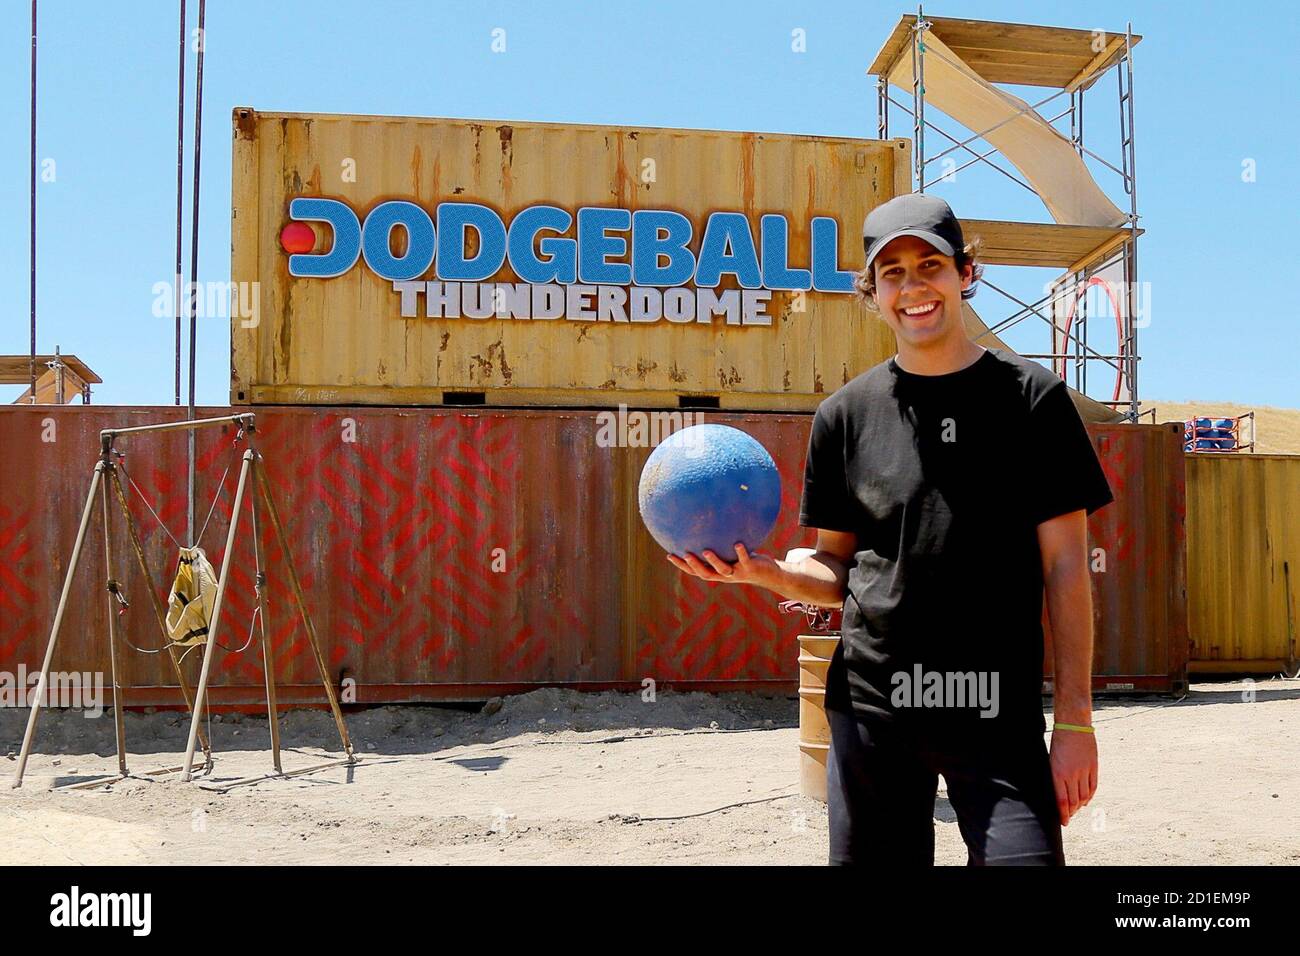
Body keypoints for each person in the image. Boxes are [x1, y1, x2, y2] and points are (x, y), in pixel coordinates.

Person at [666, 193, 1114, 865]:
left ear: (967, 274)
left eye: (928, 264)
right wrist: (763, 572)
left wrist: (1075, 719)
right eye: (892, 272)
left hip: (997, 714)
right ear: (871, 293)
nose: (913, 287)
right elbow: (834, 571)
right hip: (871, 710)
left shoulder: (1033, 403)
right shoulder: (844, 415)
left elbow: (1067, 568)